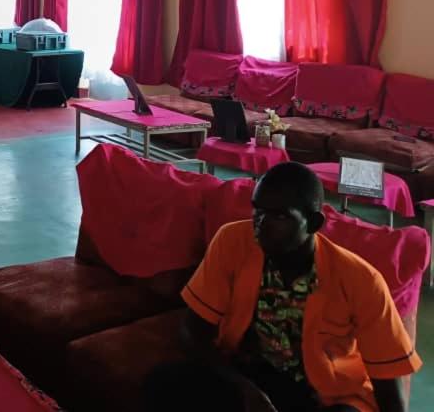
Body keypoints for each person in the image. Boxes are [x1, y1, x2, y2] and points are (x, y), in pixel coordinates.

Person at [146, 163, 421, 412]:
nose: (260, 225)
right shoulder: (231, 241)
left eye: (278, 217)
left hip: (322, 394)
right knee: (164, 382)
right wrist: (242, 388)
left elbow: (388, 384)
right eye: (258, 210)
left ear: (313, 223)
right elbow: (192, 331)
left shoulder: (360, 279)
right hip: (249, 374)